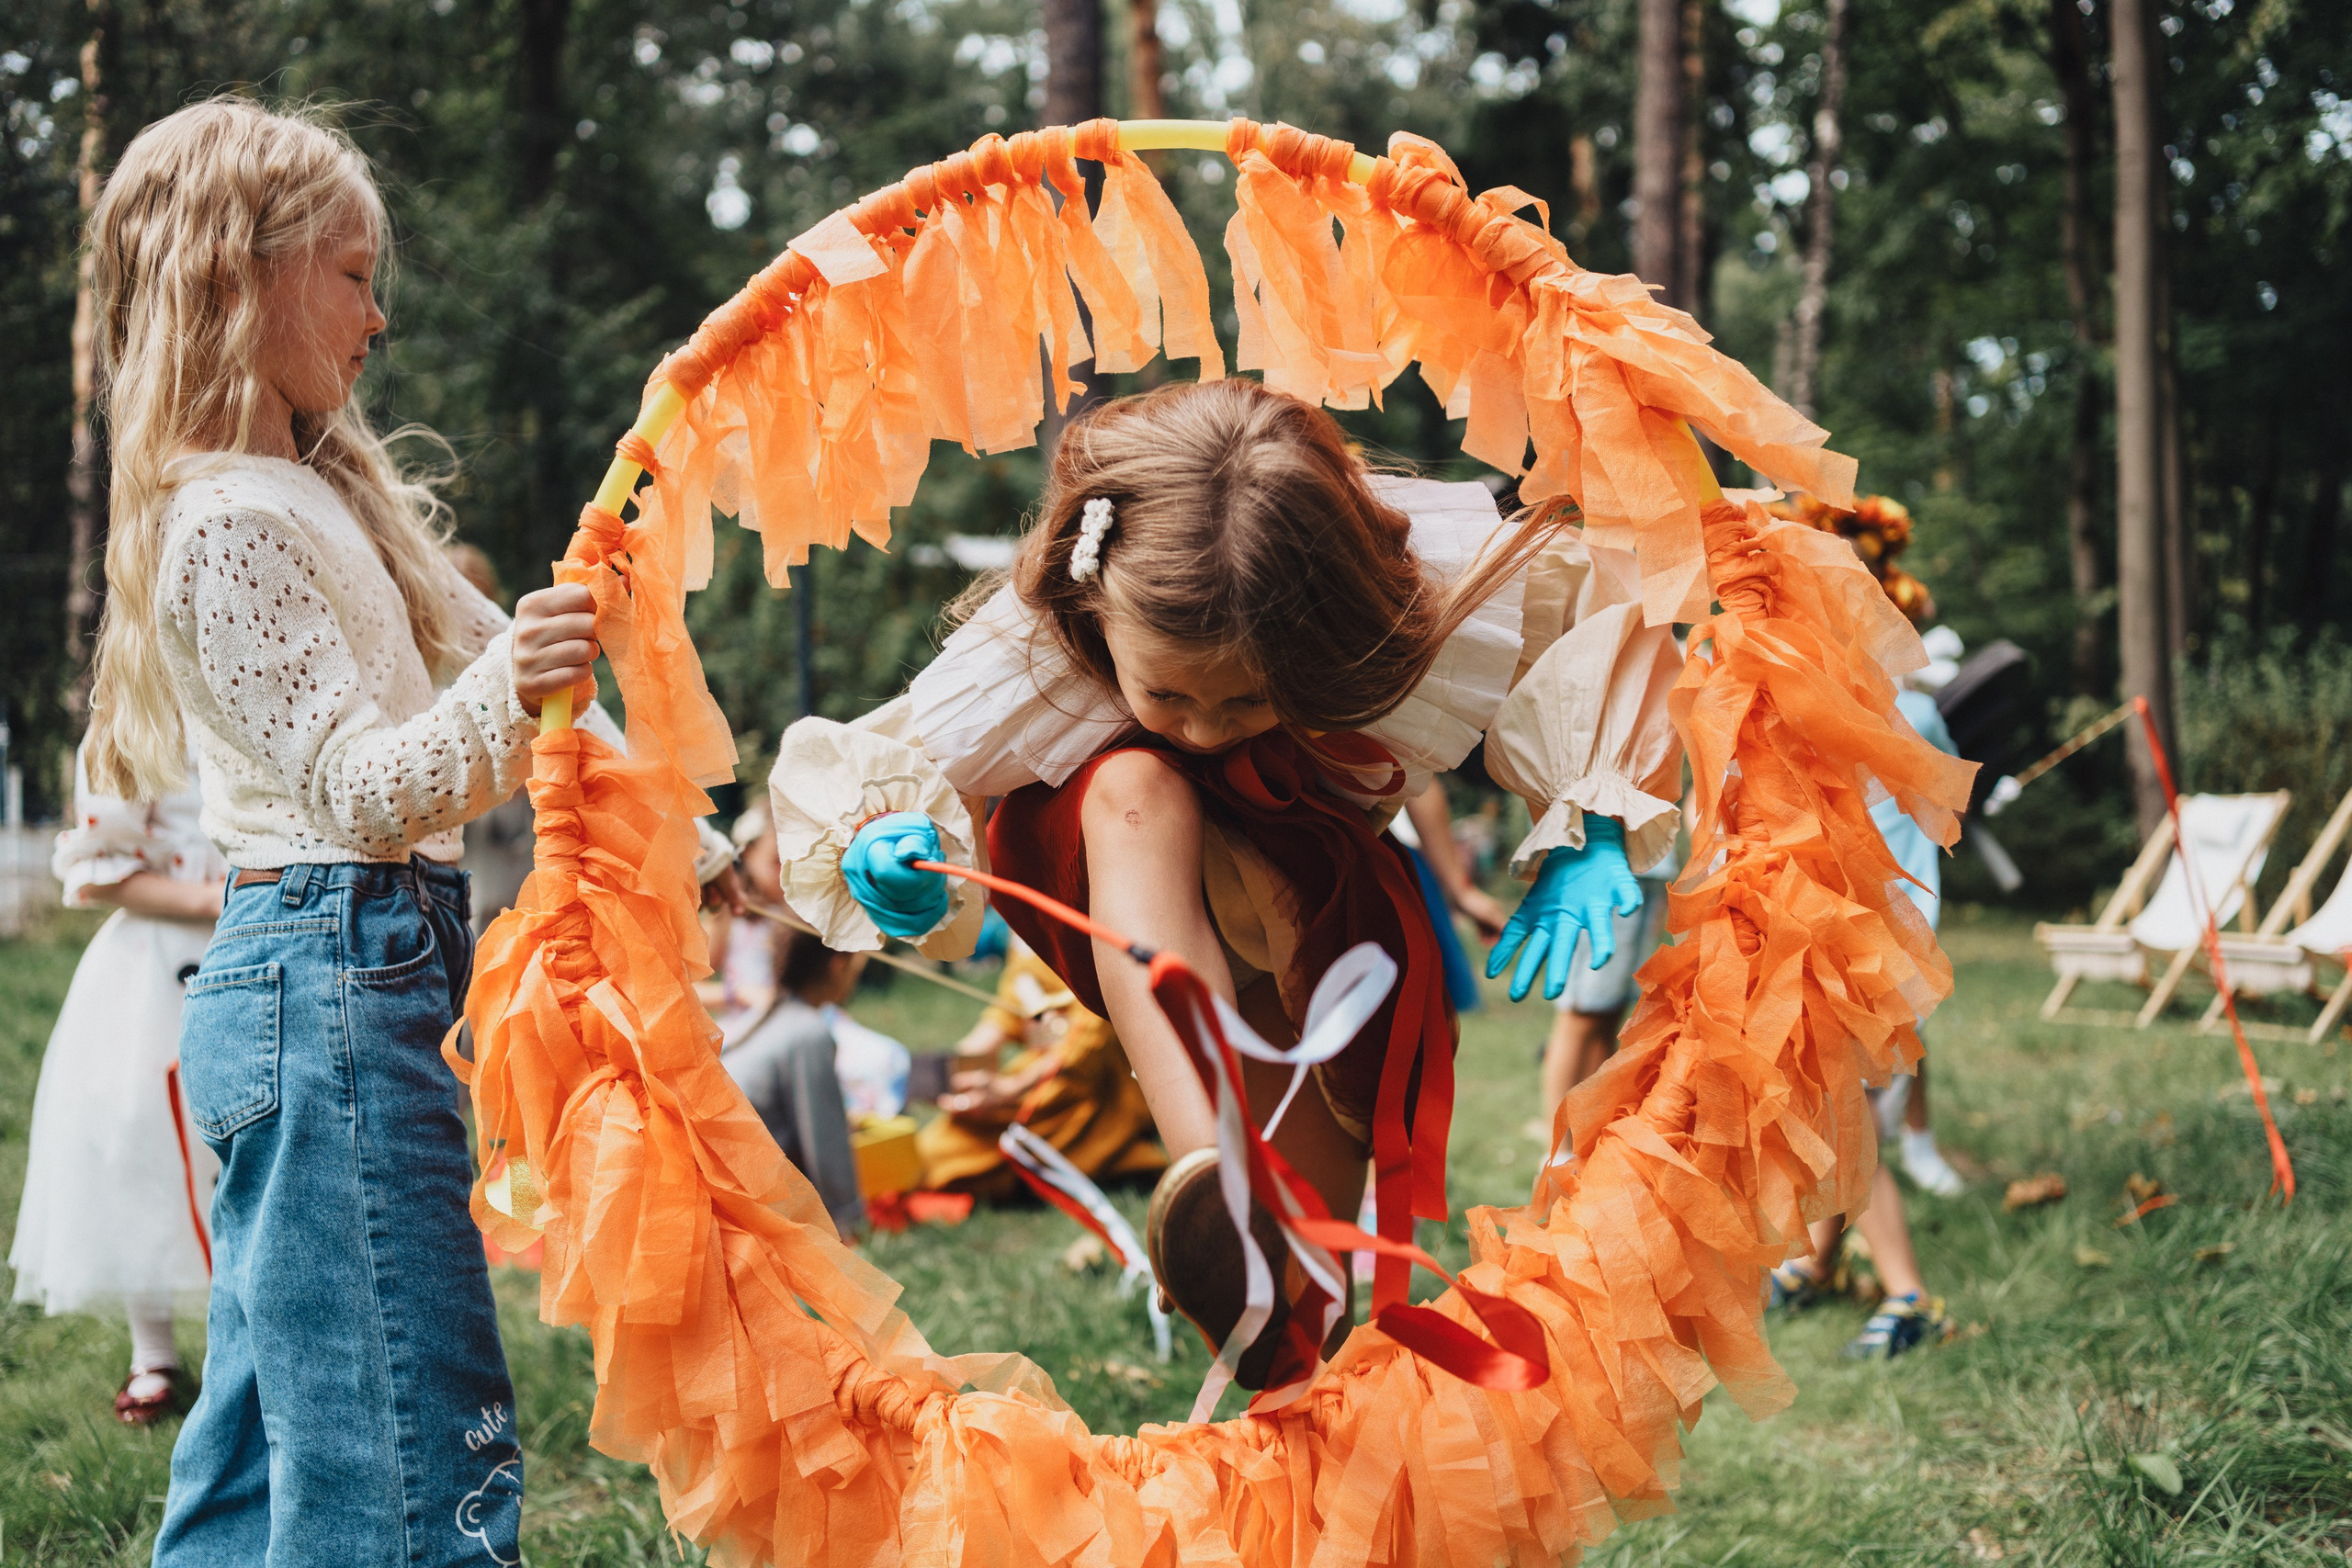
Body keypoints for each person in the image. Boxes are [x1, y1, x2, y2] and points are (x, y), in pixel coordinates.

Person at [770, 379, 1683, 1387]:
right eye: (1165, 691)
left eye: (1248, 697)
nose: (1204, 726)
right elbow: (906, 759)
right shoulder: (1051, 633)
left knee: (1294, 1319)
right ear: (1097, 614)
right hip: (1128, 885)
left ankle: (1305, 1466)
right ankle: (1206, 1165)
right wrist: (882, 842)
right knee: (1136, 781)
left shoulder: (1403, 586)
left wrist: (1589, 821)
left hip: (1307, 910)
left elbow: (1582, 619)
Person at [74, 98, 617, 1562]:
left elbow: (503, 668)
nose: (380, 315)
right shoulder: (226, 524)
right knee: (408, 1428)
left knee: (272, 1433)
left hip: (352, 972)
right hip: (328, 972)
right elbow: (371, 793)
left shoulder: (316, 492)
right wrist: (517, 683)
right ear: (238, 279)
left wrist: (693, 833)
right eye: (354, 272)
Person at [1764, 492, 1961, 1359]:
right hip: (1876, 939)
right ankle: (1815, 1262)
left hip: (1871, 942)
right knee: (1836, 1104)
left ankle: (1910, 1293)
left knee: (1847, 1113)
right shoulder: (1893, 710)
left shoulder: (1880, 715)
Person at [9, 744, 227, 1425]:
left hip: (263, 945)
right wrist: (210, 896)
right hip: (157, 963)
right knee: (144, 1149)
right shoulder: (136, 725)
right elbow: (100, 874)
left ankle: (247, 1349)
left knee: (242, 1160)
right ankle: (153, 1350)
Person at [914, 935, 1168, 1201]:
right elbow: (1010, 1008)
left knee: (941, 1157)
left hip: (1097, 1081)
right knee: (937, 1144)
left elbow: (1094, 1033)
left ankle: (1116, 1156)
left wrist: (1011, 1089)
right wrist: (949, 1069)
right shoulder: (1018, 927)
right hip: (1040, 1071)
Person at [720, 929, 873, 1240]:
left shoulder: (766, 1016)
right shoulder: (809, 1031)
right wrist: (847, 1220)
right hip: (740, 1190)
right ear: (838, 966)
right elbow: (824, 1141)